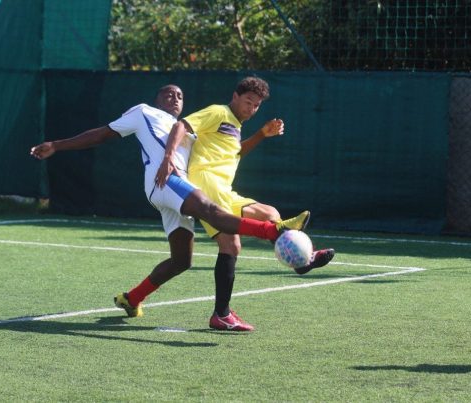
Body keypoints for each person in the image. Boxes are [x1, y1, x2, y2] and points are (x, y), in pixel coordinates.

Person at [30, 84, 310, 328]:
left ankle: (132, 299)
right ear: (157, 99)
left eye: (180, 95)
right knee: (212, 210)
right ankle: (274, 232)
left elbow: (228, 153)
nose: (175, 97)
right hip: (164, 181)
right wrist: (57, 144)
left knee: (182, 260)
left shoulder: (191, 134)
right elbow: (102, 134)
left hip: (177, 192)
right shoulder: (143, 112)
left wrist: (259, 135)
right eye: (168, 93)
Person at [156, 77, 335, 332]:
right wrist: (168, 157)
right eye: (248, 101)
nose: (251, 108)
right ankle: (222, 314)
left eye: (257, 105)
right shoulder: (219, 112)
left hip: (225, 191)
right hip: (207, 184)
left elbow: (236, 152)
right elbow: (182, 126)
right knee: (231, 244)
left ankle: (302, 261)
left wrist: (262, 134)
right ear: (235, 96)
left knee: (269, 213)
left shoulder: (234, 125)